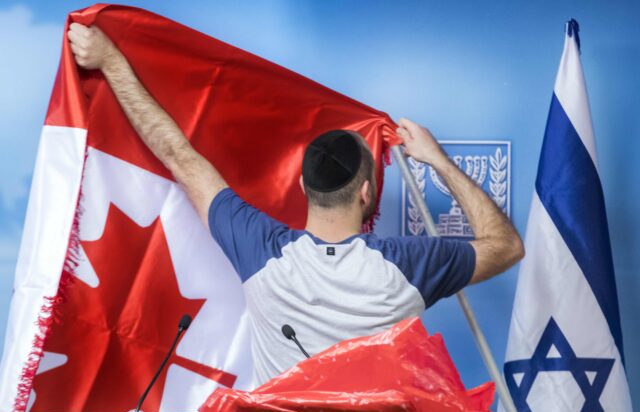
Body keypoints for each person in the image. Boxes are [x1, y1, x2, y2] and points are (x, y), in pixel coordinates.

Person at [67, 23, 524, 385]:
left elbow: (178, 156)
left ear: (304, 189)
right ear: (367, 193)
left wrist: (110, 62)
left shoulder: (261, 248)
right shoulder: (410, 263)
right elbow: (506, 246)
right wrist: (437, 159)